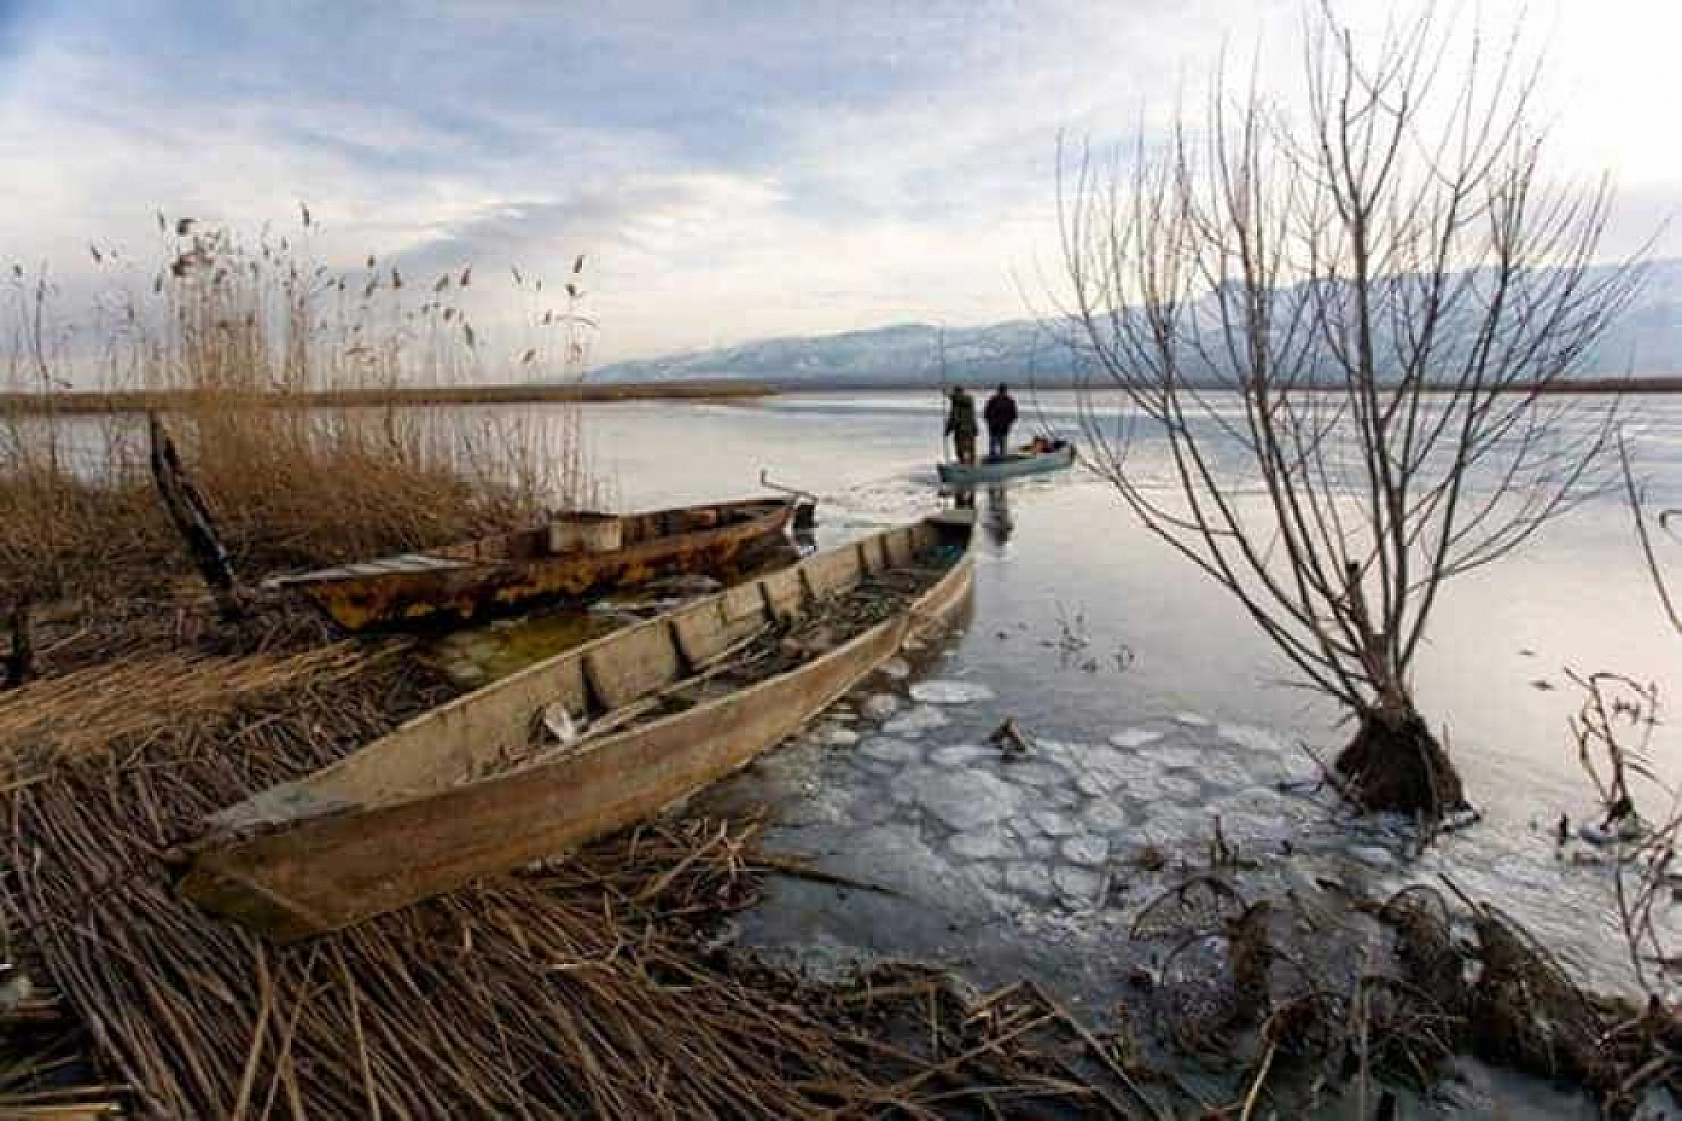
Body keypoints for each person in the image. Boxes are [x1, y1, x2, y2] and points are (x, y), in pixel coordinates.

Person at [984, 383, 1018, 460]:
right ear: (1005, 390)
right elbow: (1014, 416)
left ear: (998, 390)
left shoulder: (992, 400)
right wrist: (1008, 423)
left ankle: (992, 462)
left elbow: (986, 414)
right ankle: (1002, 463)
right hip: (1004, 428)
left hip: (993, 428)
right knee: (1003, 447)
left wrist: (990, 422)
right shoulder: (1010, 401)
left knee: (993, 447)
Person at [944, 386, 978, 465]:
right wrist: (975, 429)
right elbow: (973, 417)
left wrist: (947, 431)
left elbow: (953, 419)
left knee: (960, 449)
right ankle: (971, 465)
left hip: (960, 430)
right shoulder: (969, 401)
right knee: (970, 448)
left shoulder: (956, 404)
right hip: (970, 429)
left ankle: (963, 465)